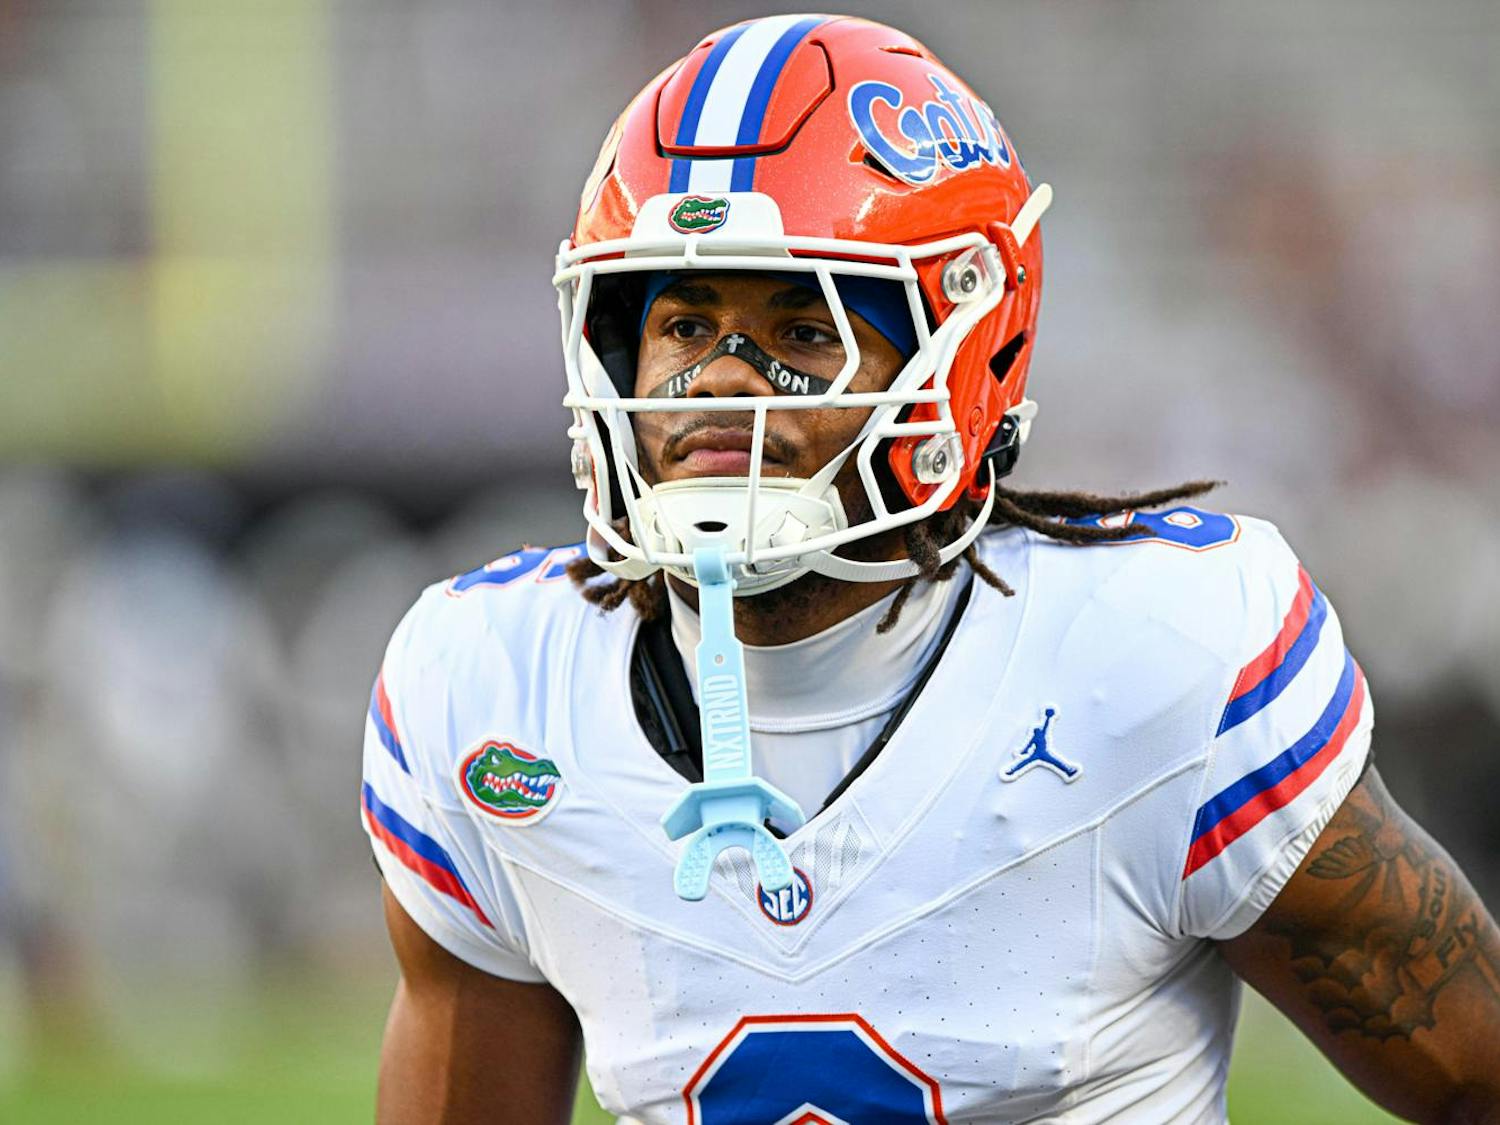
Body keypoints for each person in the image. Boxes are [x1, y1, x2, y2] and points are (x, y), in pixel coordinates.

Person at [361, 14, 1500, 1123]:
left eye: (804, 333)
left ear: (968, 354)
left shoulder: (1156, 657)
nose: (720, 382)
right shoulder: (492, 686)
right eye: (685, 323)